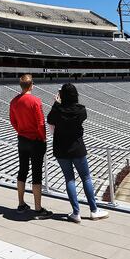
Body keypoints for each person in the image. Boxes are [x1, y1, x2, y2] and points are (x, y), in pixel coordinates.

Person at [47, 83, 109, 223]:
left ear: (61, 95)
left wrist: (56, 104)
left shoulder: (57, 110)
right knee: (86, 178)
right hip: (77, 148)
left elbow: (50, 119)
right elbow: (79, 116)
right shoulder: (81, 110)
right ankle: (94, 210)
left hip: (61, 149)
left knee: (69, 179)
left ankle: (76, 213)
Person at [9, 74, 53, 219]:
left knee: (22, 171)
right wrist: (43, 138)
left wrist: (21, 131)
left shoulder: (14, 101)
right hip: (35, 140)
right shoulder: (35, 101)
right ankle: (38, 208)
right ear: (31, 85)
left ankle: (21, 204)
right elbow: (40, 123)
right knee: (36, 173)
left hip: (22, 139)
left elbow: (13, 121)